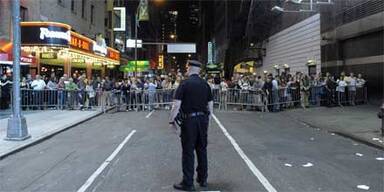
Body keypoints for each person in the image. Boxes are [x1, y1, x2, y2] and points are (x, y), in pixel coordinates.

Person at [169, 60, 213, 191]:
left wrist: (172, 121)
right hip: (203, 119)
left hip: (189, 121)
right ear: (199, 70)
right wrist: (207, 121)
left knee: (188, 151)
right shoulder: (205, 85)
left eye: (187, 67)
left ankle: (188, 182)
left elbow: (176, 105)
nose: (186, 70)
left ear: (190, 69)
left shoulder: (185, 84)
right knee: (202, 149)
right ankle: (203, 179)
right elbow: (210, 105)